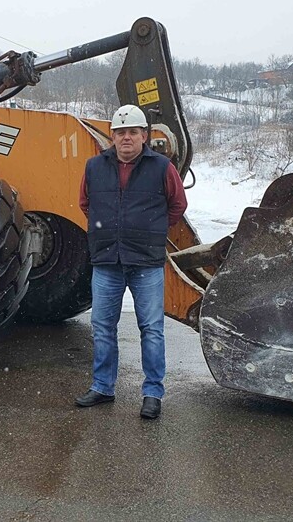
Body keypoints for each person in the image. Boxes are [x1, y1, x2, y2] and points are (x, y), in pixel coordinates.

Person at [74, 104, 187, 419]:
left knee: (151, 328)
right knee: (102, 326)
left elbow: (177, 205)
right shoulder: (94, 167)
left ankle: (152, 393)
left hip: (146, 262)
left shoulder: (162, 167)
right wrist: (110, 230)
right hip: (107, 260)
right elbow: (86, 203)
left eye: (132, 132)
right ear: (112, 136)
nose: (126, 138)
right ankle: (103, 387)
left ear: (144, 136)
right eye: (120, 132)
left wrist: (152, 230)